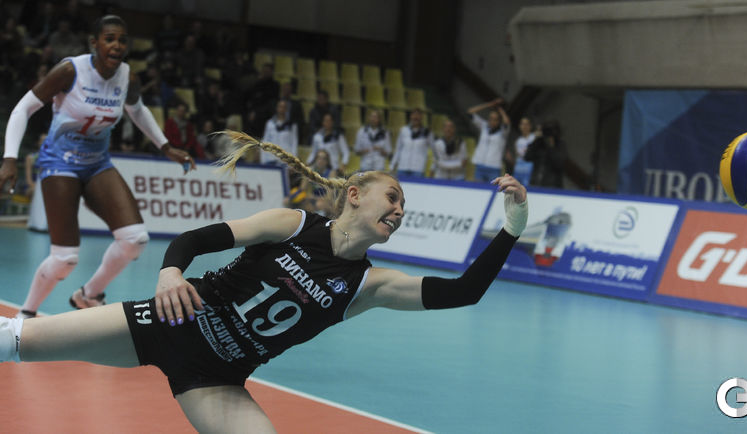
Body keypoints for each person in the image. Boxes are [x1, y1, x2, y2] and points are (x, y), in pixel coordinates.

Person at [0, 130, 528, 432]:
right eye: (392, 197)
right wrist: (169, 274)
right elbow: (195, 239)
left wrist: (512, 226)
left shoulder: (369, 286)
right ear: (354, 195)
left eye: (404, 207)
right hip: (167, 322)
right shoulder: (293, 224)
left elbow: (464, 292)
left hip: (217, 379)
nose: (400, 210)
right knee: (22, 340)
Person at [0, 15, 195, 319]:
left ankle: (89, 294)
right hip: (59, 162)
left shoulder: (128, 77)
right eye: (109, 39)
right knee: (65, 259)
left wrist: (166, 147)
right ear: (95, 43)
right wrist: (10, 159)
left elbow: (137, 110)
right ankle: (26, 314)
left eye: (122, 40)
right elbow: (23, 108)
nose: (116, 45)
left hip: (97, 163)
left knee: (134, 240)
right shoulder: (70, 70)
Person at [467, 97, 510, 183]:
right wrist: (489, 104)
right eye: (490, 119)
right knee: (478, 188)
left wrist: (499, 108)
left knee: (493, 189)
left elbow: (507, 122)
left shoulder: (503, 132)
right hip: (480, 165)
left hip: (494, 167)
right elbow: (470, 112)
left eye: (495, 120)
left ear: (499, 121)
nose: (492, 121)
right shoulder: (484, 126)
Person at [525, 119, 566, 188]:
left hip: (553, 185)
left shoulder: (560, 145)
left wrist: (551, 146)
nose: (548, 133)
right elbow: (527, 157)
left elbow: (559, 164)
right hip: (535, 183)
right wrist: (536, 139)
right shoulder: (538, 143)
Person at [391, 108, 432, 178]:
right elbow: (398, 149)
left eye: (418, 115)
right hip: (402, 167)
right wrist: (392, 165)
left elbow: (433, 151)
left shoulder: (427, 133)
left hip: (418, 169)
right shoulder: (404, 130)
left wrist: (431, 168)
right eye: (414, 115)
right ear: (410, 116)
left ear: (421, 117)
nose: (416, 117)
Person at [261, 100, 298, 166]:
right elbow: (265, 141)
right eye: (280, 107)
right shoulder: (270, 123)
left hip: (285, 159)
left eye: (284, 107)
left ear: (287, 109)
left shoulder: (292, 125)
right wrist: (263, 160)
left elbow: (294, 143)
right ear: (277, 108)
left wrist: (293, 161)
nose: (282, 109)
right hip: (271, 159)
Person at [508, 116, 536, 186]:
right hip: (518, 171)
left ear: (530, 126)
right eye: (522, 124)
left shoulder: (534, 138)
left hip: (529, 171)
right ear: (519, 126)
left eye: (526, 124)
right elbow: (517, 156)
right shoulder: (518, 141)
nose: (524, 126)